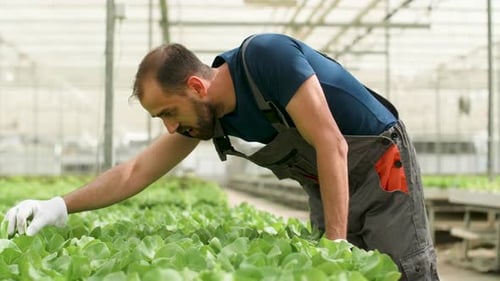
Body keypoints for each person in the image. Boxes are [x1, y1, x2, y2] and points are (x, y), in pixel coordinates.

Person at [4, 33, 439, 280]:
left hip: (380, 164)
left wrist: (336, 241)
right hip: (326, 181)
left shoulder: (266, 59)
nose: (171, 128)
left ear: (197, 87)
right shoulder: (211, 118)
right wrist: (59, 205)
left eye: (169, 113)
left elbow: (333, 143)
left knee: (405, 270)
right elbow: (135, 171)